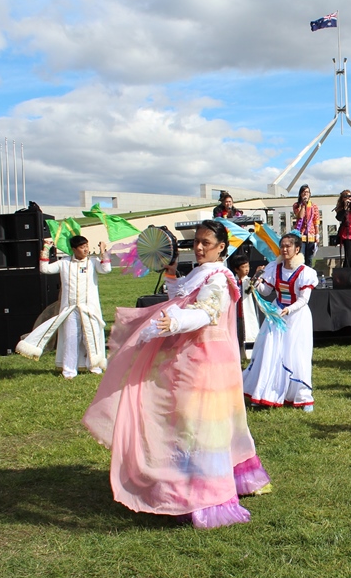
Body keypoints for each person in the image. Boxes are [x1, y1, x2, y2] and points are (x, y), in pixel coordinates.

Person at [82, 220, 271, 529]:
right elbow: (182, 295)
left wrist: (176, 322)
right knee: (189, 420)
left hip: (208, 360)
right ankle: (184, 480)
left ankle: (207, 493)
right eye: (196, 242)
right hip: (191, 355)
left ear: (221, 247)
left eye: (206, 243)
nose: (199, 247)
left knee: (202, 424)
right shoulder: (202, 272)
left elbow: (205, 312)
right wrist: (170, 274)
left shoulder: (219, 278)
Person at [16, 234, 112, 378]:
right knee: (70, 338)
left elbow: (106, 269)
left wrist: (103, 251)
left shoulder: (93, 262)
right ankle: (69, 371)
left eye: (86, 246)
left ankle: (95, 367)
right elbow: (45, 269)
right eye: (82, 247)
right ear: (74, 249)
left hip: (89, 309)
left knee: (91, 337)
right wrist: (46, 249)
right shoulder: (64, 263)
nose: (86, 249)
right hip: (70, 309)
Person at [242, 233, 318, 410]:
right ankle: (266, 393)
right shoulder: (273, 268)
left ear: (297, 249)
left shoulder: (305, 272)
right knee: (269, 351)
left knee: (296, 354)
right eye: (282, 246)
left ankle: (302, 396)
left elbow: (304, 299)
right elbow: (266, 291)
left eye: (288, 246)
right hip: (276, 315)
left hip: (297, 317)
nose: (284, 249)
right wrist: (257, 281)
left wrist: (289, 309)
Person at [229, 254, 259, 360]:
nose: (247, 269)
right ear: (236, 269)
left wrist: (257, 276)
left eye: (248, 266)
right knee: (236, 336)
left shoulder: (249, 281)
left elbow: (253, 287)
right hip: (235, 315)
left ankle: (249, 357)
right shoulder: (232, 282)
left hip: (246, 314)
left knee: (248, 335)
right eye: (243, 267)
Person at [292, 184, 321, 268]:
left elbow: (316, 221)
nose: (305, 194)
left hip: (311, 235)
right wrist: (303, 205)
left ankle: (308, 274)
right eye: (304, 192)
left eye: (307, 192)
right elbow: (300, 216)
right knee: (301, 257)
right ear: (300, 194)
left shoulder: (314, 206)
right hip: (300, 235)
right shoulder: (296, 205)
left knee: (309, 259)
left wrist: (317, 235)